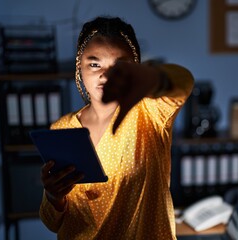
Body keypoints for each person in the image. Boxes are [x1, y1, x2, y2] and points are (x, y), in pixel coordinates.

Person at [39, 16, 194, 239]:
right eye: (94, 64)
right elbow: (52, 223)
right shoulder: (62, 129)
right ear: (79, 67)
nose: (105, 75)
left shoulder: (151, 113)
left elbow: (183, 81)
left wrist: (151, 78)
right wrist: (53, 196)